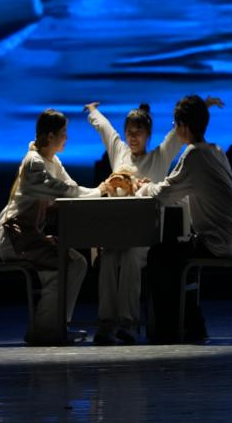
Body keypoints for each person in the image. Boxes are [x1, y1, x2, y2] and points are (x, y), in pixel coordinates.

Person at [136, 94, 232, 343]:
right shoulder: (215, 151)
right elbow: (185, 191)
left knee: (159, 256)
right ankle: (192, 324)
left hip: (218, 243)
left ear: (184, 126)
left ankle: (168, 330)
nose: (175, 129)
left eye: (175, 124)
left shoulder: (194, 155)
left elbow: (163, 194)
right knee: (173, 252)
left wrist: (143, 187)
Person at [0, 108, 100, 345]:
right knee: (68, 265)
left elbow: (71, 186)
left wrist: (100, 191)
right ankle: (45, 330)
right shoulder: (34, 163)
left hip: (30, 237)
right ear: (51, 136)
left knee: (76, 262)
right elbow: (62, 190)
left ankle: (57, 327)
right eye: (64, 133)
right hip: (15, 239)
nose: (67, 138)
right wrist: (100, 190)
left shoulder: (53, 161)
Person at [84, 101, 183, 345]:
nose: (133, 137)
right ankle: (106, 323)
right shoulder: (120, 152)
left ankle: (127, 323)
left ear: (148, 134)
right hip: (117, 231)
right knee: (108, 258)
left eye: (138, 132)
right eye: (129, 132)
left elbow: (176, 136)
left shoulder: (158, 157)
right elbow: (106, 130)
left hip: (144, 234)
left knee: (129, 258)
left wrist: (201, 108)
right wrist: (93, 111)